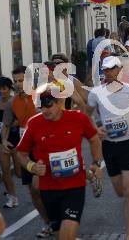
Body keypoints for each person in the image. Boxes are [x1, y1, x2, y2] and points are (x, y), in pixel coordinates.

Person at [17, 84, 104, 240]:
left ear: (60, 102)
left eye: (49, 106)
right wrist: (32, 167)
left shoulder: (78, 118)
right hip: (49, 188)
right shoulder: (34, 123)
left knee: (66, 234)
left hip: (75, 186)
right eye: (41, 107)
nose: (44, 111)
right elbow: (21, 153)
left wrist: (96, 163)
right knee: (59, 234)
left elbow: (94, 140)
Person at [87, 56, 129, 240]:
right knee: (120, 191)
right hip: (109, 146)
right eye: (105, 69)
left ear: (119, 70)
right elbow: (86, 115)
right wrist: (95, 128)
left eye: (111, 69)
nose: (107, 72)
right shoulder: (96, 93)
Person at [2, 66, 52, 237]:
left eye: (21, 80)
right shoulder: (11, 103)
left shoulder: (41, 96)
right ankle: (47, 223)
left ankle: (57, 217)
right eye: (15, 81)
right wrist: (4, 140)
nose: (18, 84)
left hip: (43, 148)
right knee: (33, 191)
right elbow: (6, 125)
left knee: (40, 187)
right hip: (25, 150)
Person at [0, 77, 22, 208]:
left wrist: (10, 123)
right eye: (0, 89)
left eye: (4, 89)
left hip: (16, 137)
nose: (2, 91)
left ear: (10, 89)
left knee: (19, 173)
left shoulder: (16, 102)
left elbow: (22, 118)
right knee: (5, 169)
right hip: (2, 139)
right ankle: (12, 197)